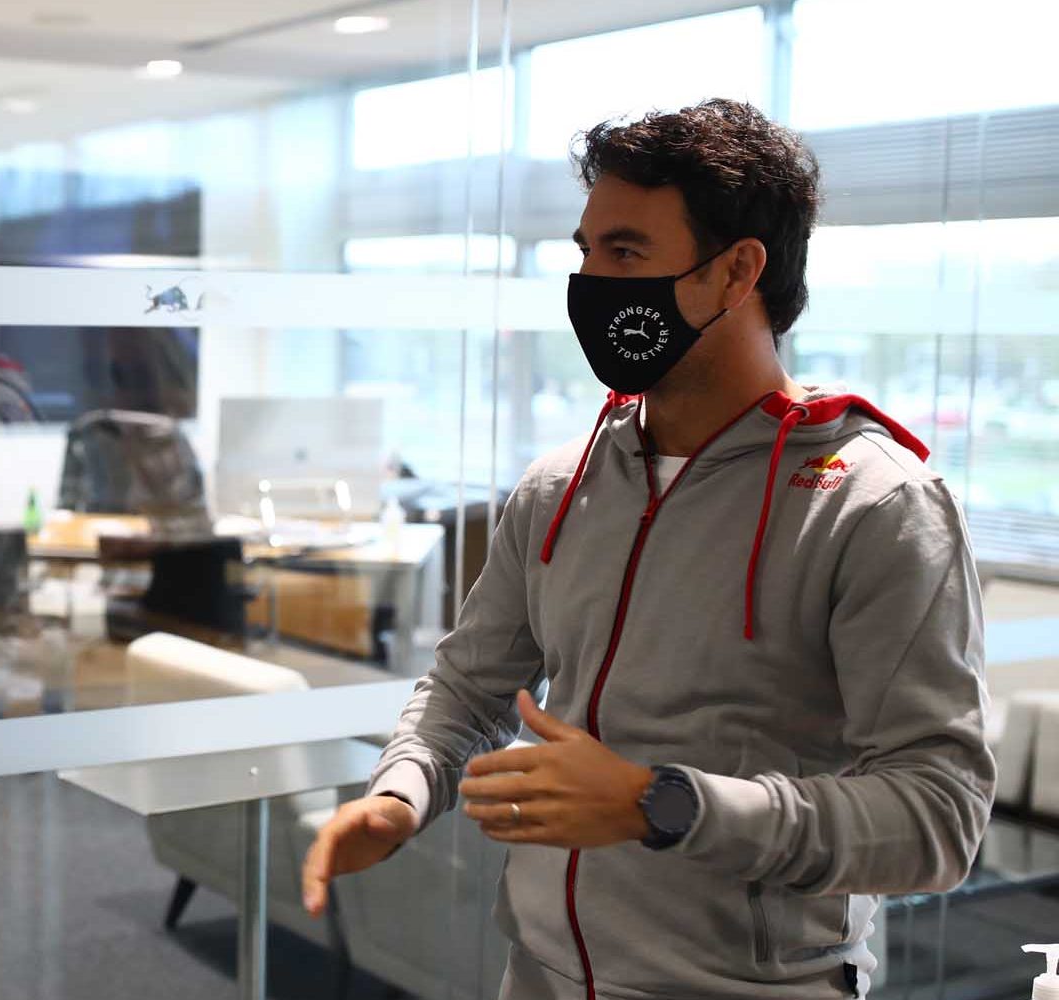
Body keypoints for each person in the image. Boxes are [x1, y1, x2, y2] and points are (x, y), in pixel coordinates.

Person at [301, 99, 992, 998]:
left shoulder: (874, 504)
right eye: (584, 253)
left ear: (738, 271)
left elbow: (937, 817)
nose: (591, 281)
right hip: (538, 974)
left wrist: (660, 803)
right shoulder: (561, 485)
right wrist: (400, 795)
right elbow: (469, 687)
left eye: (625, 253)